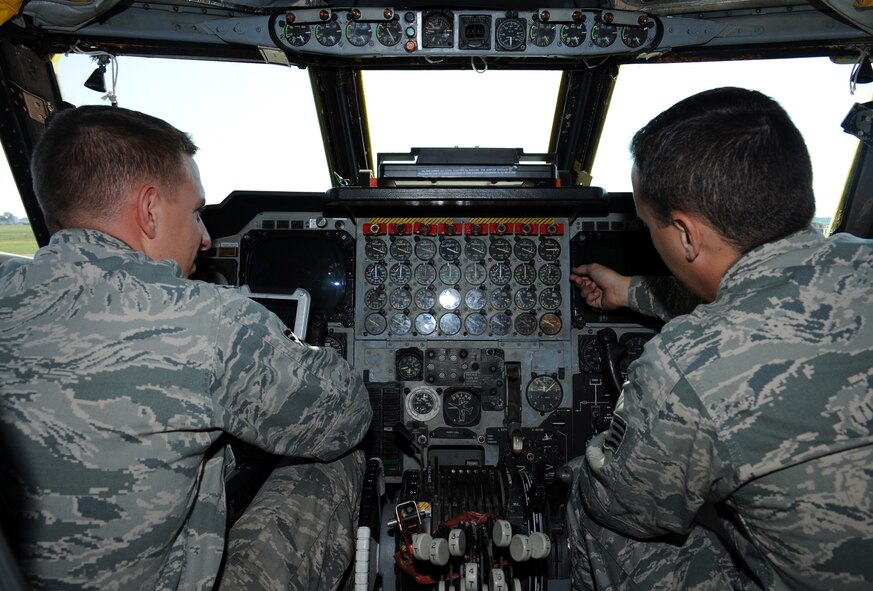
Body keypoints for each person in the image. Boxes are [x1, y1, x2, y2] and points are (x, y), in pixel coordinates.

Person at [0, 105, 373, 590]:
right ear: (150, 208)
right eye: (196, 211)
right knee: (336, 460)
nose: (205, 237)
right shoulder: (210, 321)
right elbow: (346, 416)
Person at [566, 87, 873, 589]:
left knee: (594, 495)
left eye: (648, 227)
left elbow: (627, 508)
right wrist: (631, 292)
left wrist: (613, 444)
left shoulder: (687, 366)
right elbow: (765, 296)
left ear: (685, 235)